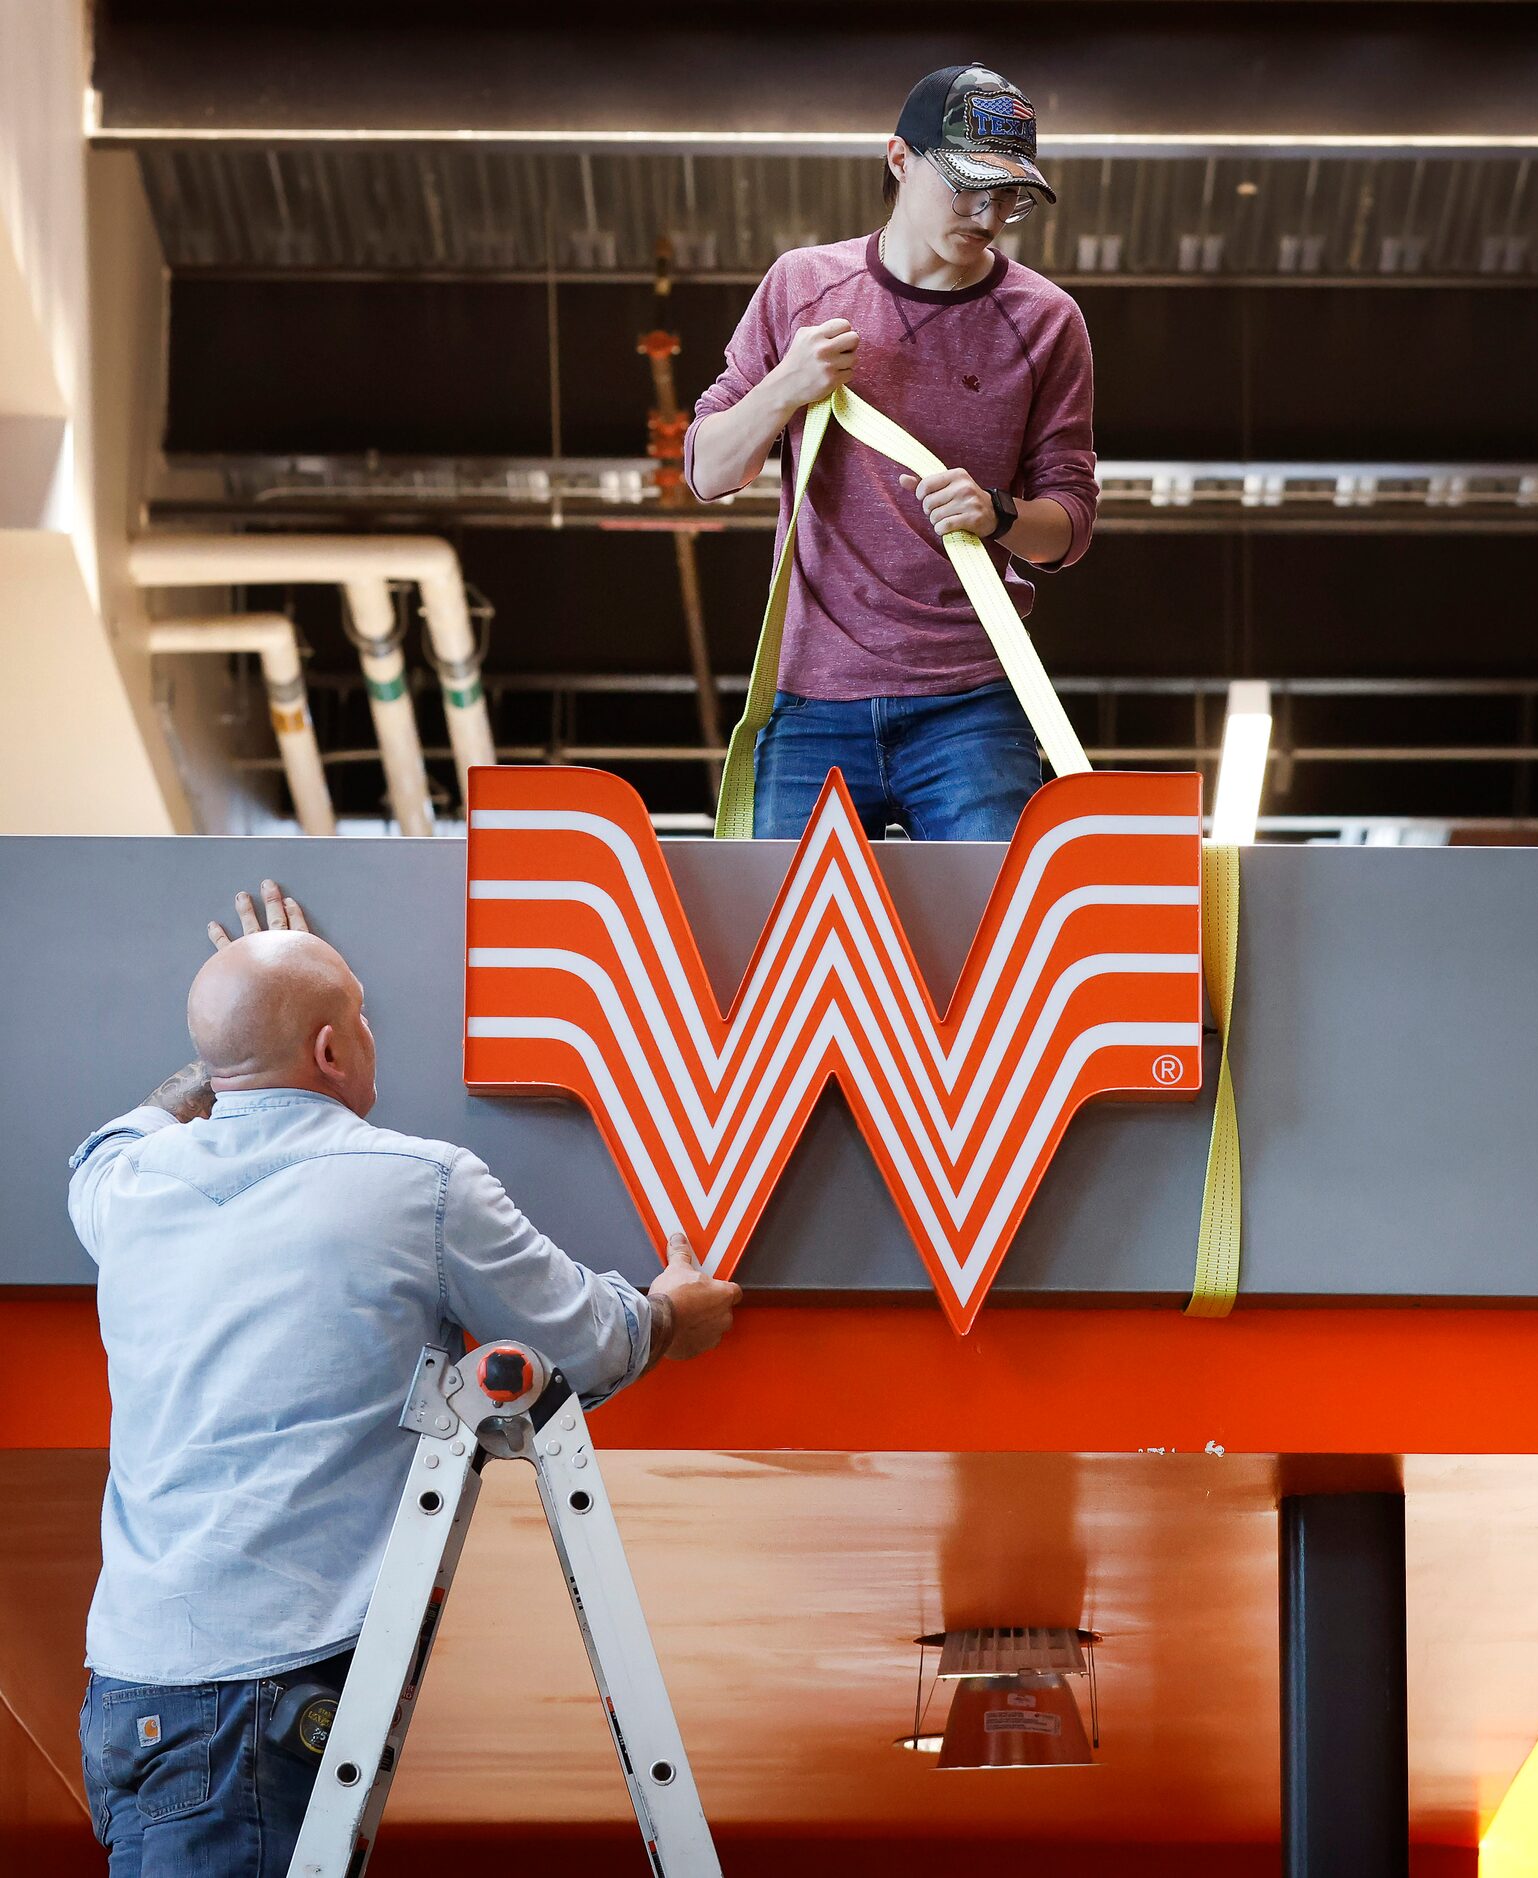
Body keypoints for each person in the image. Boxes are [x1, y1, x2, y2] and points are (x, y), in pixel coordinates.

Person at [68, 879, 741, 1878]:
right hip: (259, 1693)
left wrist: (245, 1039)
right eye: (362, 1019)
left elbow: (128, 1129)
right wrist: (671, 1315)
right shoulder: (420, 1184)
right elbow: (589, 1342)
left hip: (127, 1697)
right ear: (334, 1052)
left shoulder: (122, 1189)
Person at [686, 61, 1097, 843]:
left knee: (1002, 949)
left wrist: (1000, 513)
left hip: (974, 703)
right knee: (786, 956)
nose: (986, 213)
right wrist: (783, 388)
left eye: (1008, 195)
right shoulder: (801, 286)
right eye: (967, 185)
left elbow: (1071, 526)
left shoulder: (1046, 320)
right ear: (899, 158)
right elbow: (709, 472)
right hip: (809, 701)